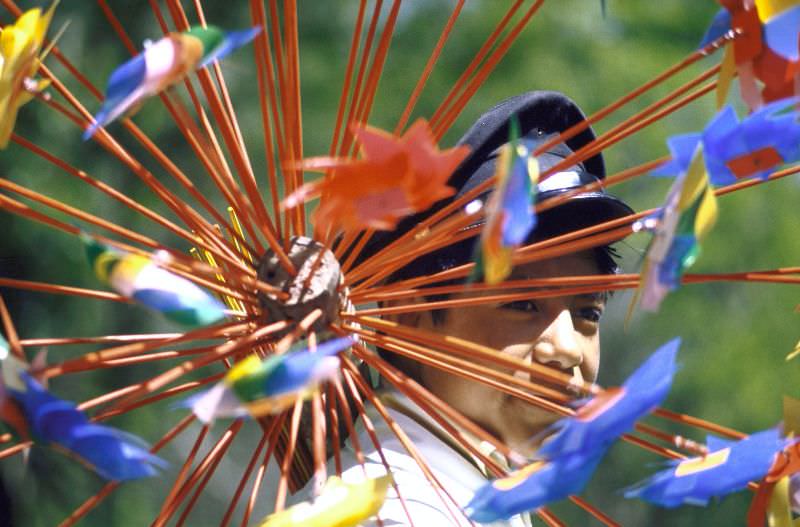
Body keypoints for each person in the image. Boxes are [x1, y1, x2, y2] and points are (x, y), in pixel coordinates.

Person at [293, 91, 634, 526]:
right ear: (406, 315)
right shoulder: (397, 513)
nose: (567, 349)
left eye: (589, 313)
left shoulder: (469, 489)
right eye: (522, 304)